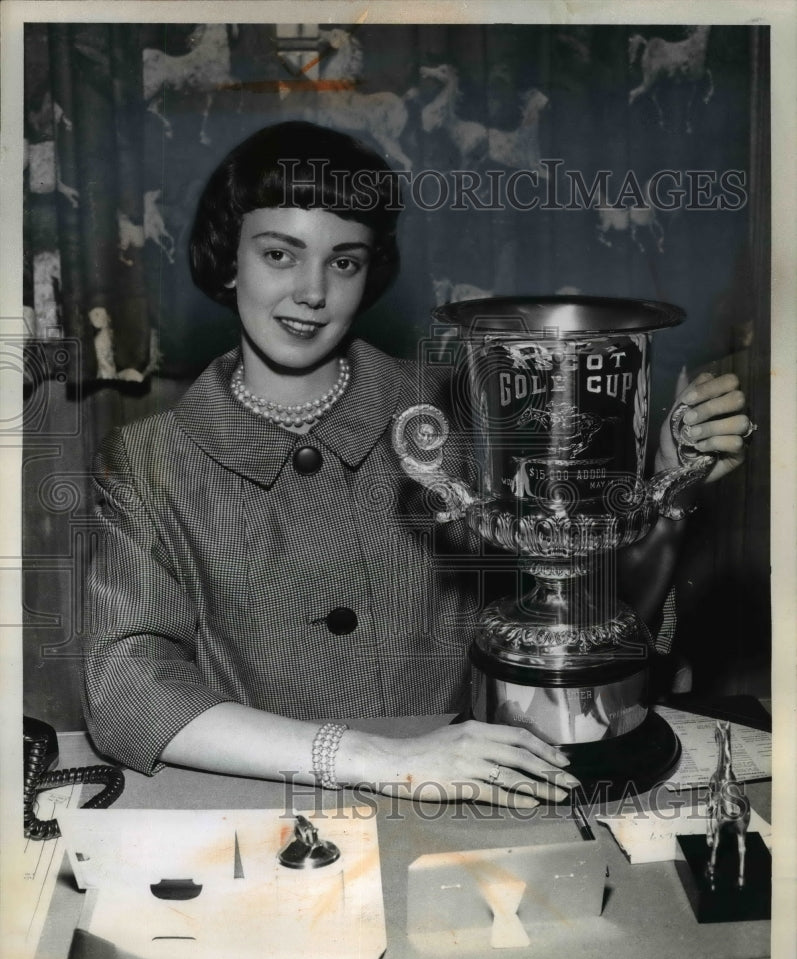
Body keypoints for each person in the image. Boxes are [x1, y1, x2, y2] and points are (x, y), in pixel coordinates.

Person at [82, 121, 751, 809]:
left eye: (344, 261)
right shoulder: (147, 461)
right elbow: (128, 689)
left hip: (479, 806)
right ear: (228, 259)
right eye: (280, 255)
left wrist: (666, 491)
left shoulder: (462, 407)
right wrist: (380, 757)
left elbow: (585, 624)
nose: (312, 291)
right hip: (276, 815)